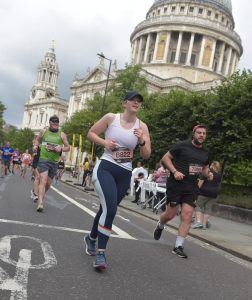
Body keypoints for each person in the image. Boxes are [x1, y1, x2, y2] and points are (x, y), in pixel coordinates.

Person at [84, 91, 151, 269]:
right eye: (133, 100)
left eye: (139, 101)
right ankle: (101, 254)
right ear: (125, 103)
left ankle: (90, 239)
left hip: (124, 172)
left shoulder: (142, 126)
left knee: (105, 208)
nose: (136, 103)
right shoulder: (111, 118)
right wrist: (104, 143)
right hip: (106, 167)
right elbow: (91, 133)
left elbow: (146, 155)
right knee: (111, 209)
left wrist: (141, 140)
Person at [153, 125, 213, 259]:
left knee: (187, 215)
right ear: (193, 134)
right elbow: (165, 158)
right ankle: (160, 225)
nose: (202, 135)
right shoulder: (182, 146)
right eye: (199, 133)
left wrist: (208, 174)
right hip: (176, 184)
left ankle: (178, 246)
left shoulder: (206, 152)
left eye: (204, 133)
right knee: (170, 214)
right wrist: (174, 172)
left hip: (192, 186)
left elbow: (204, 168)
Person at [33, 115, 70, 212]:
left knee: (48, 184)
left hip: (54, 161)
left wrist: (60, 149)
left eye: (57, 122)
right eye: (53, 121)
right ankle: (40, 202)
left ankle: (41, 194)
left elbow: (68, 147)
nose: (55, 123)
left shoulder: (62, 135)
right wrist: (35, 146)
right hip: (43, 159)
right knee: (43, 180)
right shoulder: (43, 131)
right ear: (49, 122)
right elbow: (38, 140)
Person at [191, 161, 221, 230]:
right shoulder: (219, 173)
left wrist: (197, 189)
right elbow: (217, 182)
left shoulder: (208, 171)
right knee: (208, 208)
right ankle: (204, 225)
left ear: (212, 164)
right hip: (214, 193)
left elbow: (201, 181)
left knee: (198, 205)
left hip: (204, 191)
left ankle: (198, 222)